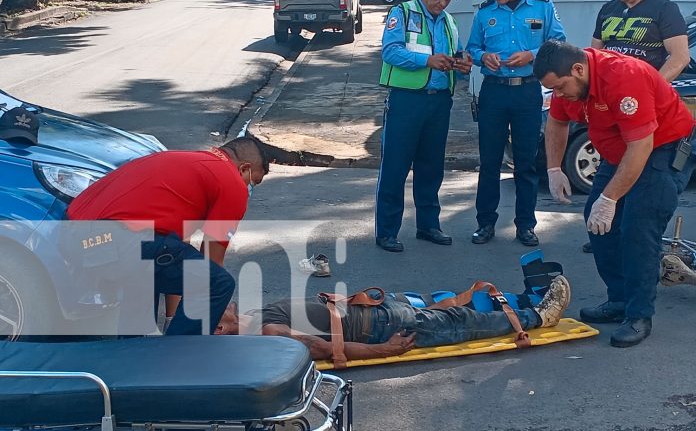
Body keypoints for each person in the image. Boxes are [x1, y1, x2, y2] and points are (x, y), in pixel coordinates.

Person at [533, 40, 696, 348]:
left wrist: (609, 199)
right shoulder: (567, 83)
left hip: (663, 145)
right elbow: (556, 121)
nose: (558, 95)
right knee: (598, 225)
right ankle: (620, 300)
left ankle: (639, 315)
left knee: (638, 227)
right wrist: (554, 169)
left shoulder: (623, 77)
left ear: (578, 70)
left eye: (560, 87)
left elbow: (642, 146)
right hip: (622, 148)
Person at [66, 137, 269, 336]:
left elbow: (176, 252)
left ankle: (133, 358)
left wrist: (173, 317)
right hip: (120, 242)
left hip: (78, 239)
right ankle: (177, 359)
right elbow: (210, 259)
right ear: (244, 168)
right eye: (253, 182)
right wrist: (215, 310)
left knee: (148, 276)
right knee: (218, 283)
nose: (249, 188)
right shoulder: (230, 180)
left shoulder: (179, 161)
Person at [580, 0, 690, 254]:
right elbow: (593, 56)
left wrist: (652, 88)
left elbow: (680, 57)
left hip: (645, 106)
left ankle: (636, 240)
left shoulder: (663, 9)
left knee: (644, 186)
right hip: (612, 110)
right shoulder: (608, 10)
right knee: (614, 171)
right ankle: (606, 231)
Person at [215, 275, 571, 361]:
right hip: (384, 329)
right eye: (219, 307)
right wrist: (383, 350)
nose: (225, 302)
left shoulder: (249, 318)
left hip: (377, 311)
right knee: (461, 322)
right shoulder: (266, 333)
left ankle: (521, 303)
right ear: (220, 326)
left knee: (447, 306)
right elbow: (321, 347)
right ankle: (539, 316)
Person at [465, 0, 565, 247]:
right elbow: (472, 48)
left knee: (526, 163)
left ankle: (526, 225)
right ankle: (485, 223)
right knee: (489, 162)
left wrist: (531, 55)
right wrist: (484, 56)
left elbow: (558, 43)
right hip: (494, 92)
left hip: (528, 89)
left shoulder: (543, 6)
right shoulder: (485, 12)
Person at [375, 0, 472, 253]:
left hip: (439, 101)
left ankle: (428, 225)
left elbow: (458, 54)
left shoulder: (450, 23)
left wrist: (463, 65)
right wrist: (427, 60)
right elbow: (390, 51)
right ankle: (387, 232)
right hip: (407, 100)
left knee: (431, 167)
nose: (442, 2)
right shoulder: (402, 14)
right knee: (396, 166)